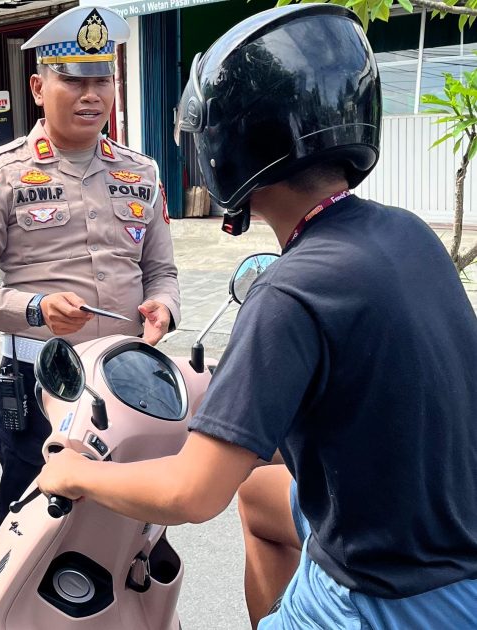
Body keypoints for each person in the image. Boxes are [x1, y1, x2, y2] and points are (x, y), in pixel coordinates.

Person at [37, 5, 477, 628]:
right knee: (259, 496)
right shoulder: (407, 233)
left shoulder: (289, 291)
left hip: (385, 590)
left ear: (231, 145)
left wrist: (77, 472)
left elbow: (192, 493)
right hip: (445, 534)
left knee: (222, 488)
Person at [0, 5, 180, 526]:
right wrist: (35, 309)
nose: (91, 95)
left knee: (131, 534)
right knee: (34, 536)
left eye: (103, 79)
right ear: (36, 87)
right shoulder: (1, 173)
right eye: (73, 80)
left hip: (126, 381)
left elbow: (162, 270)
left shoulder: (140, 171)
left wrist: (163, 307)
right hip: (42, 381)